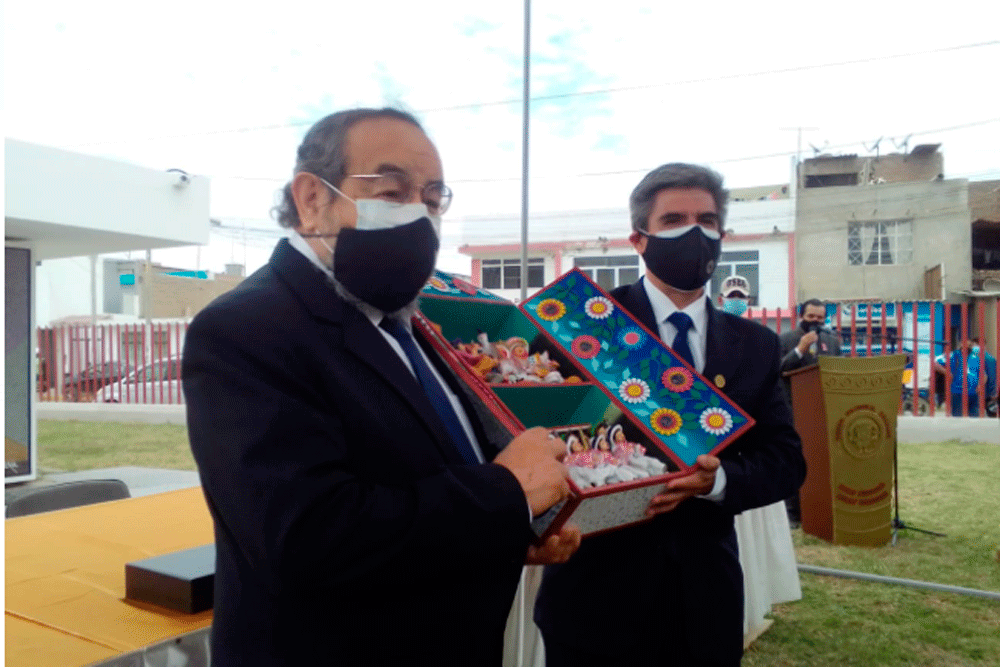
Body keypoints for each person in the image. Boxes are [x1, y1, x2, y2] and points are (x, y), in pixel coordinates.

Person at [183, 107, 580, 667]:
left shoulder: (414, 323)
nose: (419, 215)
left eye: (433, 198)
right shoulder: (247, 329)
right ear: (311, 199)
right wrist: (506, 495)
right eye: (391, 192)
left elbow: (434, 474)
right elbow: (307, 538)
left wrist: (512, 529)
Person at [534, 163, 806, 667]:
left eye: (706, 220)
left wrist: (720, 478)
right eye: (675, 219)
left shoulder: (754, 344)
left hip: (705, 603)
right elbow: (529, 432)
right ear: (639, 238)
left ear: (722, 235)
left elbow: (786, 462)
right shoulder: (581, 327)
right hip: (593, 600)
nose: (694, 233)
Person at [778, 298, 842, 526]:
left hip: (825, 411)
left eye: (820, 318)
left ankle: (821, 508)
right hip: (794, 411)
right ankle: (793, 513)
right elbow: (779, 371)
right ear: (801, 316)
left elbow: (839, 371)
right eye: (811, 317)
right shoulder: (785, 340)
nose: (815, 322)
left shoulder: (832, 342)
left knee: (821, 462)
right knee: (796, 462)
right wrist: (800, 349)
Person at [933, 337, 989, 417]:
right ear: (961, 344)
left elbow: (984, 375)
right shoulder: (953, 355)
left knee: (974, 419)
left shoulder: (977, 357)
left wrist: (980, 385)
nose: (968, 346)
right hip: (958, 392)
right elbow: (935, 363)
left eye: (970, 344)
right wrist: (948, 373)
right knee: (958, 418)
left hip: (973, 393)